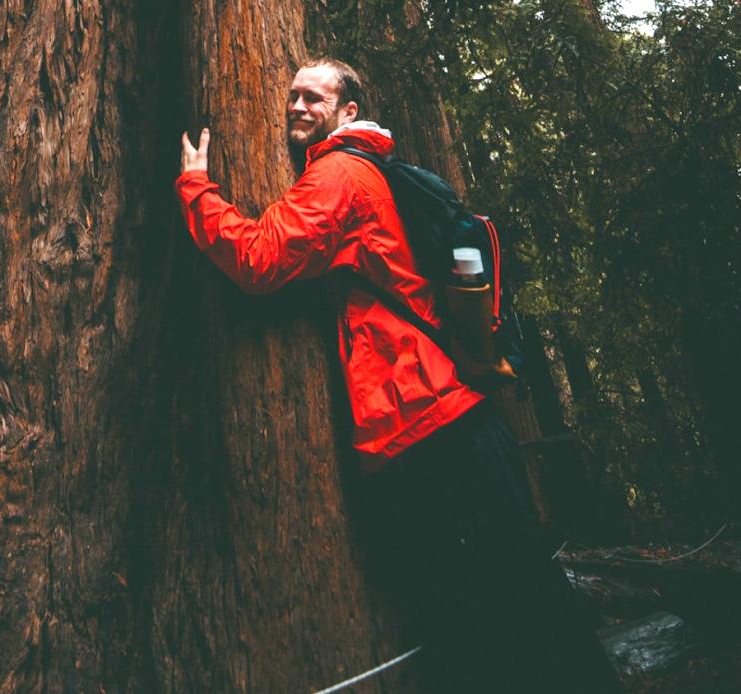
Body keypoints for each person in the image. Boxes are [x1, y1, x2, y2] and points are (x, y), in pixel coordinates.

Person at [176, 58, 621, 693]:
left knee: (493, 622)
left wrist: (197, 187)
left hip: (428, 432)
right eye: (293, 95)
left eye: (315, 98)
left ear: (348, 112)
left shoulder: (339, 174)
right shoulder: (371, 171)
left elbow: (259, 258)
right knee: (522, 607)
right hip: (452, 418)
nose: (297, 106)